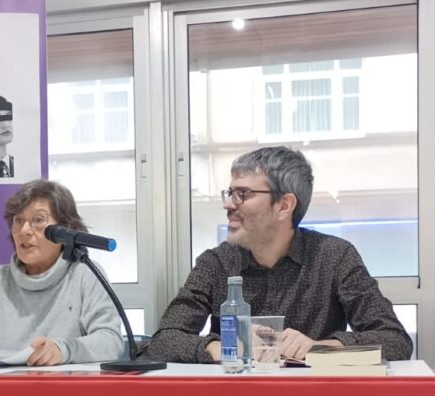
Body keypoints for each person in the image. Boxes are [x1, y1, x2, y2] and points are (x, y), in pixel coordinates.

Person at [145, 146, 412, 363]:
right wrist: (226, 347)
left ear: (284, 205)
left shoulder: (335, 256)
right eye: (229, 193)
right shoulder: (216, 263)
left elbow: (395, 341)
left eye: (242, 194)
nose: (228, 204)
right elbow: (165, 340)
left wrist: (319, 348)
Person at [0, 179, 123, 366]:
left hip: (64, 389)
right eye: (18, 221)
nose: (25, 231)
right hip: (0, 389)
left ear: (65, 230)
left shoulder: (85, 275)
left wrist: (63, 349)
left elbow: (111, 341)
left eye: (38, 220)